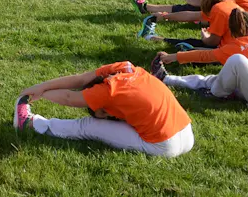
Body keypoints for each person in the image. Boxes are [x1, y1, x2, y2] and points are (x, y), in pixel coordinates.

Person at [13, 61, 193, 158]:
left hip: (164, 146)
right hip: (186, 132)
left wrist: (38, 93)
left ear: (104, 109)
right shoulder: (126, 68)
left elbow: (70, 97)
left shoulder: (107, 91)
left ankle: (30, 123)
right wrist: (41, 87)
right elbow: (81, 79)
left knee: (87, 126)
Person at [152, 9, 248, 111]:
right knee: (214, 79)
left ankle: (217, 94)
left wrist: (173, 57)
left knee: (236, 61)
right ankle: (167, 79)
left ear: (232, 33)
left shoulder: (237, 46)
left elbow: (204, 56)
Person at [139, 0, 242, 51]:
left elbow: (212, 42)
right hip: (239, 48)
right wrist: (166, 16)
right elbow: (191, 16)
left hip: (229, 51)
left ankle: (152, 38)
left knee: (189, 44)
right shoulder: (230, 4)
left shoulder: (218, 10)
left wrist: (205, 37)